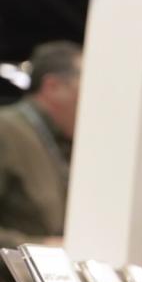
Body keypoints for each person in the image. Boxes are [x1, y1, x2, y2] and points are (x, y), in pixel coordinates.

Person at [0, 41, 82, 251]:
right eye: (83, 88)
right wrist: (41, 248)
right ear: (52, 86)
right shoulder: (6, 131)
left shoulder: (58, 142)